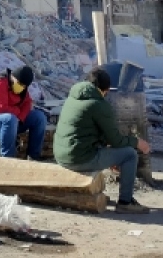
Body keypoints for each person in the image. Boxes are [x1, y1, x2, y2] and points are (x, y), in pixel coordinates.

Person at [54, 67, 152, 214]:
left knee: (117, 153)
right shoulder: (99, 105)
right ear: (105, 90)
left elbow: (89, 132)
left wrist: (108, 152)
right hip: (78, 158)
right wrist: (137, 142)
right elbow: (117, 141)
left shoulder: (73, 97)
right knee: (130, 154)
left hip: (61, 155)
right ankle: (125, 202)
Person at [0, 65, 46, 160]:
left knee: (39, 117)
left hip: (13, 120)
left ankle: (34, 156)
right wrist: (18, 113)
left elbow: (27, 103)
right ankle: (8, 158)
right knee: (9, 119)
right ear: (13, 77)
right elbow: (0, 108)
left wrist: (20, 117)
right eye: (19, 84)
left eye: (24, 86)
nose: (21, 88)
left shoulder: (21, 88)